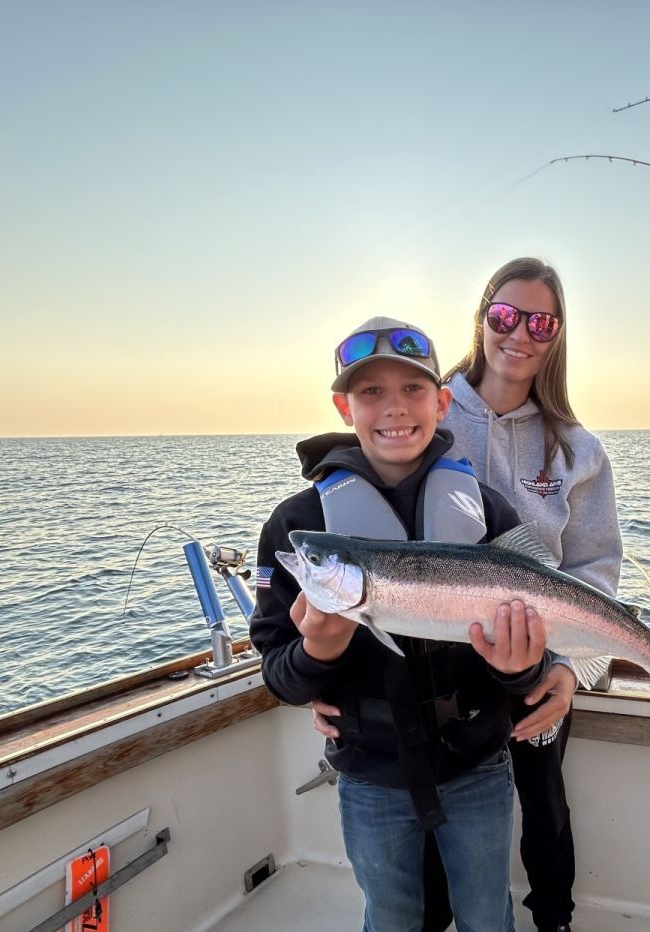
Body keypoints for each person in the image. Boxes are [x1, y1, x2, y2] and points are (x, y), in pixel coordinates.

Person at [318, 258, 622, 932]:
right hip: (429, 679)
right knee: (429, 830)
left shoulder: (578, 450)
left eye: (541, 321)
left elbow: (596, 569)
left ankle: (555, 922)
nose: (521, 334)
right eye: (506, 316)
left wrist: (574, 670)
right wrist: (325, 671)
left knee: (545, 808)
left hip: (536, 662)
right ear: (482, 317)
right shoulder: (421, 397)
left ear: (559, 333)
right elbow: (349, 521)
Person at [248, 316, 554, 932]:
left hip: (479, 762)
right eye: (370, 392)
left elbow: (532, 667)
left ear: (442, 403)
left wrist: (527, 668)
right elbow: (281, 677)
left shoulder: (486, 510)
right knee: (388, 918)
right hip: (370, 771)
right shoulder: (297, 524)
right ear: (343, 405)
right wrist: (317, 652)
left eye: (413, 390)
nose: (394, 408)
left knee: (487, 917)